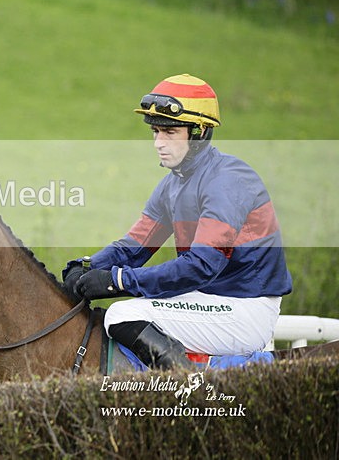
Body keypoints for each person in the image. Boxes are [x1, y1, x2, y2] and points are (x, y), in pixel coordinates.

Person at [62, 74, 292, 369]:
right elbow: (133, 249)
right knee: (123, 312)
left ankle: (193, 391)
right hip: (211, 300)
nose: (159, 143)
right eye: (156, 132)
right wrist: (89, 267)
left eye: (170, 132)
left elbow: (200, 266)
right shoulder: (172, 185)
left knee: (122, 315)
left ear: (199, 132)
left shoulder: (228, 180)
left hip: (245, 308)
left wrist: (116, 281)